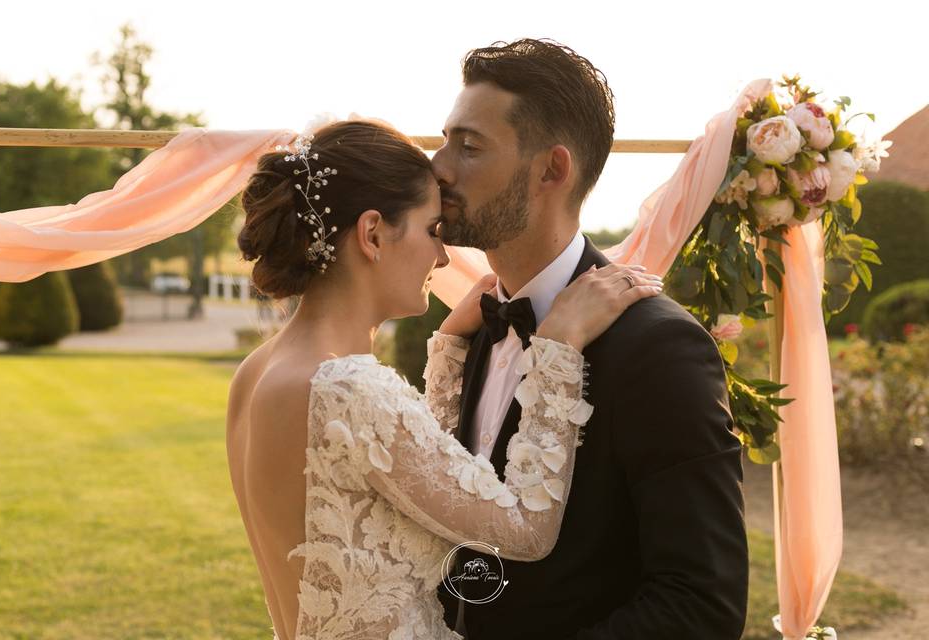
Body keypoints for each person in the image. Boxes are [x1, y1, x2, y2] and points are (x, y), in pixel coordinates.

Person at [225, 119, 664, 639]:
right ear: (372, 235)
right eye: (432, 230)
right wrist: (559, 345)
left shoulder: (258, 371)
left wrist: (449, 353)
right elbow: (524, 531)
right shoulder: (349, 390)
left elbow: (400, 479)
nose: (442, 256)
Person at [431, 38, 750, 639]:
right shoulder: (474, 327)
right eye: (445, 140)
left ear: (552, 169)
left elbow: (702, 604)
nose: (438, 167)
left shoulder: (660, 349)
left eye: (468, 146)